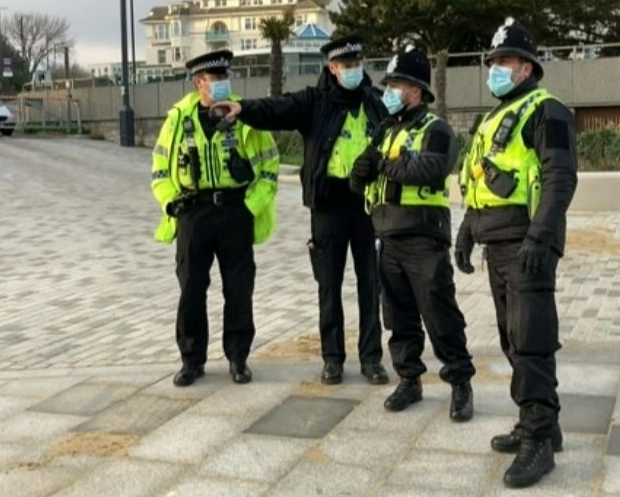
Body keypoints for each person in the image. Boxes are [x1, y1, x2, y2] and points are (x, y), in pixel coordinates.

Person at [214, 36, 389, 386]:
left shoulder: (376, 102)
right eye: (346, 66)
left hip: (367, 204)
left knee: (371, 283)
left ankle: (371, 358)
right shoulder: (316, 102)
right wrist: (243, 109)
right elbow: (277, 109)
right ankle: (333, 358)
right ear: (332, 68)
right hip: (328, 204)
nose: (353, 71)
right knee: (329, 284)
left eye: (358, 64)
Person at [455, 18, 578, 488]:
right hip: (496, 240)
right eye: (492, 62)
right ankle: (543, 421)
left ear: (526, 67)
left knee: (531, 339)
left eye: (503, 61)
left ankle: (538, 441)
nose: (495, 69)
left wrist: (540, 236)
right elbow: (480, 182)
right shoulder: (491, 119)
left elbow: (560, 178)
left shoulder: (549, 112)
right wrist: (467, 229)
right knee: (512, 338)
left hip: (528, 242)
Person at [350, 45, 476, 421]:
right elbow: (361, 178)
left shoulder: (436, 130)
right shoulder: (386, 131)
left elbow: (429, 170)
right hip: (385, 236)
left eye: (397, 85)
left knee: (440, 314)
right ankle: (409, 378)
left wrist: (386, 165)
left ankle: (460, 382)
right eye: (388, 84)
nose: (389, 91)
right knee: (398, 316)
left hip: (423, 237)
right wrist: (366, 170)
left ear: (417, 91)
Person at [150, 49, 280, 387]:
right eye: (215, 78)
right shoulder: (178, 119)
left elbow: (270, 167)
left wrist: (252, 207)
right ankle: (192, 360)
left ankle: (238, 358)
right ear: (199, 83)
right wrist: (170, 203)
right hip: (193, 211)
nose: (222, 83)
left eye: (225, 77)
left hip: (237, 209)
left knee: (239, 288)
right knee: (191, 287)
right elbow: (160, 169)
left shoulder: (244, 114)